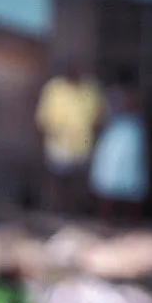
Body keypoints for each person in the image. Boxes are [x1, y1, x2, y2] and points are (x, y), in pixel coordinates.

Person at [36, 61, 103, 215]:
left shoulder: (90, 88)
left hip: (83, 143)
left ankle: (76, 211)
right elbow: (43, 117)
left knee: (79, 181)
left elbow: (99, 115)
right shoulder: (55, 89)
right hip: (59, 143)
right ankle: (58, 210)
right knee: (59, 180)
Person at [89, 70, 149, 224]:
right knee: (108, 178)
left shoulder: (135, 99)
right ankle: (107, 218)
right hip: (115, 135)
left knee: (130, 178)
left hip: (128, 137)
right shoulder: (111, 96)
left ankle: (131, 220)